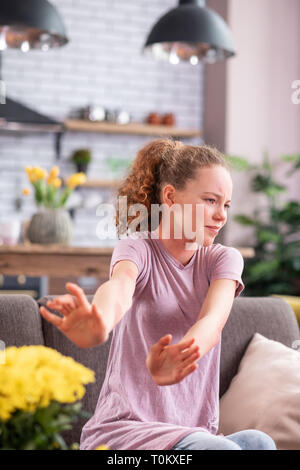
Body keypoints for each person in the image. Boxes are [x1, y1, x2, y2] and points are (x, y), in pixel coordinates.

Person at [40, 139, 276, 451]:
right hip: (125, 434)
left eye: (226, 205)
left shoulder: (223, 259)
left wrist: (181, 352)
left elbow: (213, 319)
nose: (221, 216)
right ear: (170, 197)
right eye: (210, 200)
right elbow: (119, 289)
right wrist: (100, 321)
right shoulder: (137, 249)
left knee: (260, 442)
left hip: (190, 434)